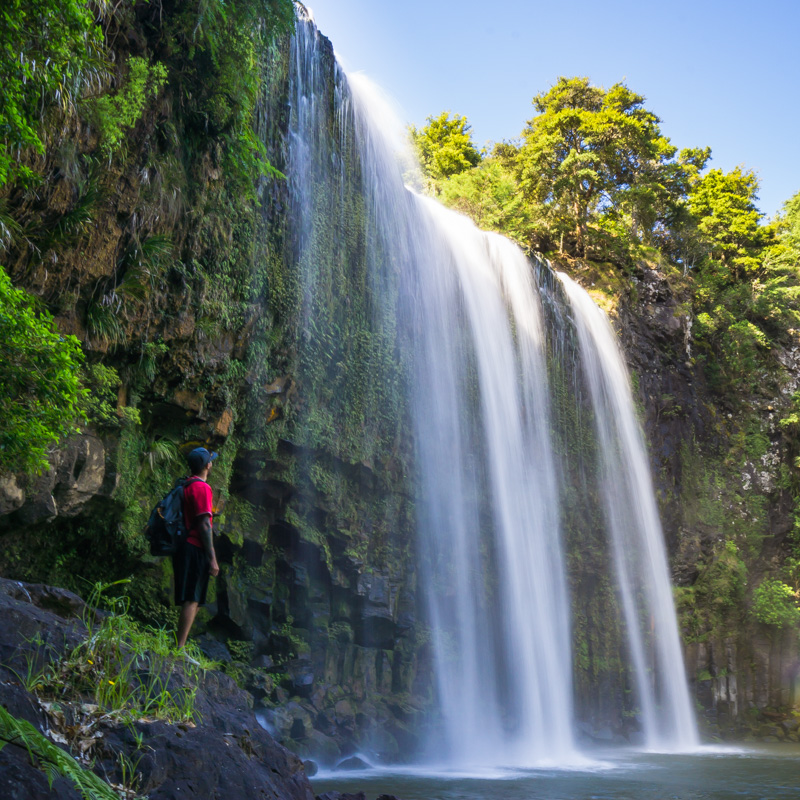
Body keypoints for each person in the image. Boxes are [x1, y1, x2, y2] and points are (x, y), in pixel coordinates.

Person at [173, 446, 220, 648]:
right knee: (192, 598)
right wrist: (213, 558)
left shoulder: (186, 484)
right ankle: (179, 647)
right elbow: (204, 524)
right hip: (195, 546)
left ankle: (180, 644)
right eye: (210, 460)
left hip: (184, 545)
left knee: (195, 597)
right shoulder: (202, 488)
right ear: (207, 466)